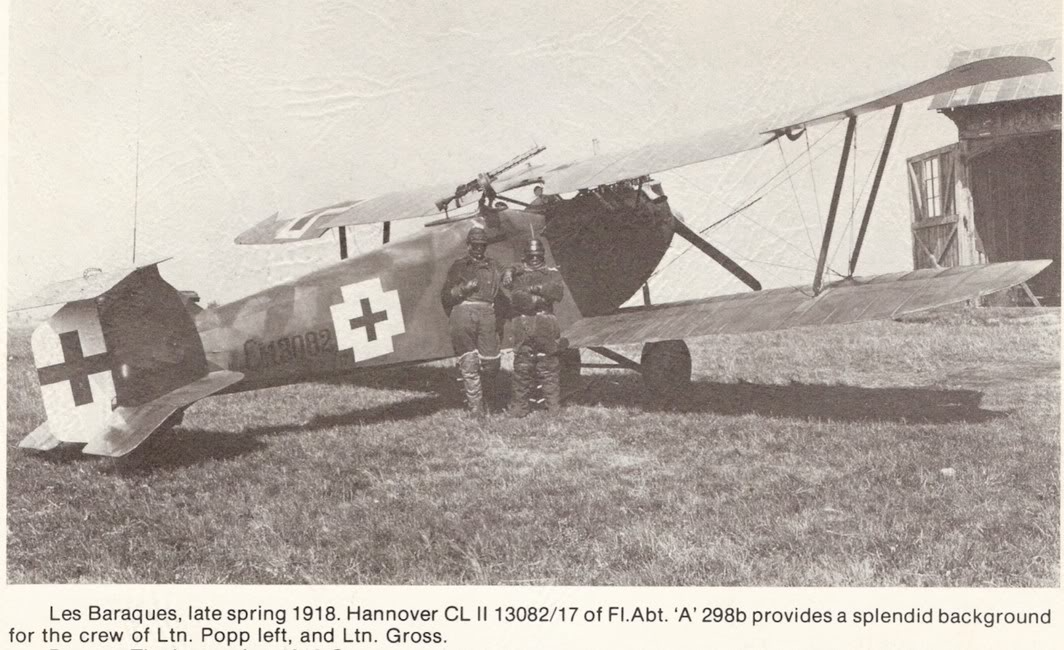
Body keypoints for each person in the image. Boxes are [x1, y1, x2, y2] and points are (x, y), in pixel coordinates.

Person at [441, 227, 503, 415]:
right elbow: (446, 296)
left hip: (486, 313)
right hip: (464, 312)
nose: (478, 249)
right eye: (475, 245)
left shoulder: (493, 265)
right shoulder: (459, 266)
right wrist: (463, 289)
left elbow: (507, 273)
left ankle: (490, 401)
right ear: (468, 246)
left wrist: (510, 272)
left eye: (482, 245)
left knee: (491, 362)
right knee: (469, 362)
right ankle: (476, 408)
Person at [504, 238, 566, 417]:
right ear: (525, 256)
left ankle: (553, 407)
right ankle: (520, 407)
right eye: (531, 256)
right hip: (523, 323)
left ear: (542, 256)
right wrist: (541, 296)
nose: (534, 259)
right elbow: (518, 299)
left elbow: (557, 291)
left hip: (546, 323)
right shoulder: (518, 275)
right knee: (522, 367)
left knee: (549, 366)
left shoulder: (552, 273)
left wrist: (533, 289)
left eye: (537, 256)